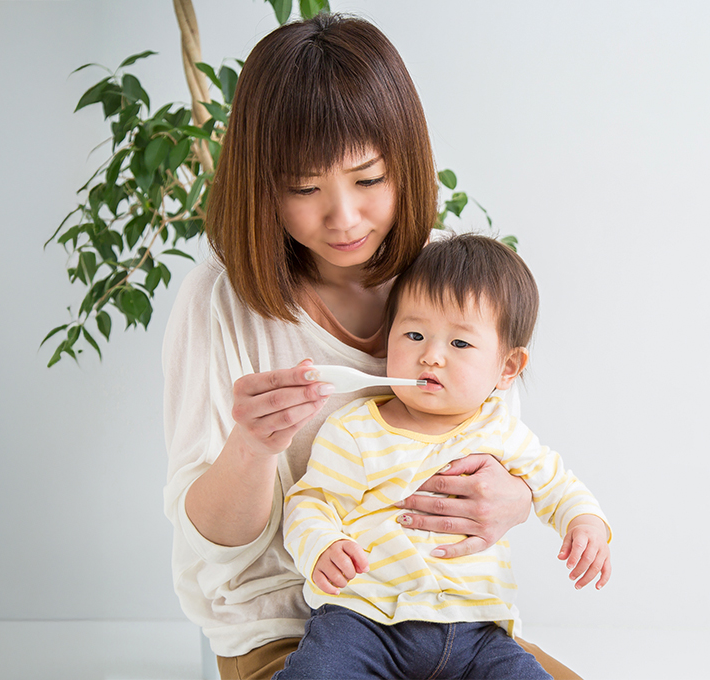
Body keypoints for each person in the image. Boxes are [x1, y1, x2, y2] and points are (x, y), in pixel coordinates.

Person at [161, 13, 582, 680]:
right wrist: (253, 448)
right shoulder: (219, 301)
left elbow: (504, 446)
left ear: (405, 161)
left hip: (457, 623)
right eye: (304, 188)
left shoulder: (450, 274)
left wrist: (518, 501)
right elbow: (214, 539)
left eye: (367, 178)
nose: (345, 217)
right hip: (290, 628)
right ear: (263, 184)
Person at [276, 234, 613, 680]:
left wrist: (584, 523)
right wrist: (321, 544)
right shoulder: (356, 429)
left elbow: (557, 485)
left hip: (478, 635)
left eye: (459, 344)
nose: (430, 356)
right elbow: (310, 502)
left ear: (507, 368)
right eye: (414, 335)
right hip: (364, 623)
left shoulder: (502, 432)